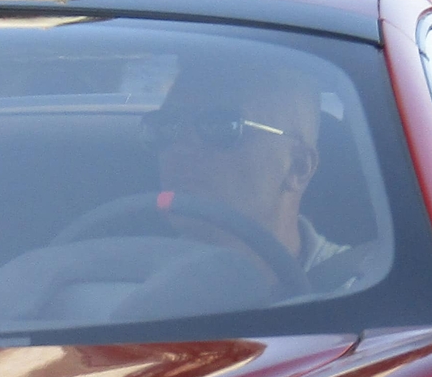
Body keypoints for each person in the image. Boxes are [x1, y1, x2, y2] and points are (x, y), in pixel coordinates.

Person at [138, 64, 345, 285]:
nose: (179, 147)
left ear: (298, 166)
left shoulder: (360, 290)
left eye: (221, 126)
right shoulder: (131, 275)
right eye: (167, 124)